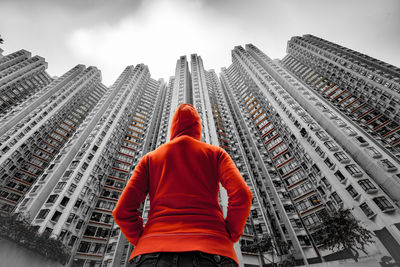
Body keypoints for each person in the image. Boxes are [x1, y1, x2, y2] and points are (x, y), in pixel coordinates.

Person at [113, 103, 252, 267]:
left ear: (173, 128)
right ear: (198, 128)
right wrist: (230, 234)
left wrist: (146, 239)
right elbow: (242, 194)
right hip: (213, 249)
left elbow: (122, 211)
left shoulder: (149, 159)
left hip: (150, 253)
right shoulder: (216, 154)